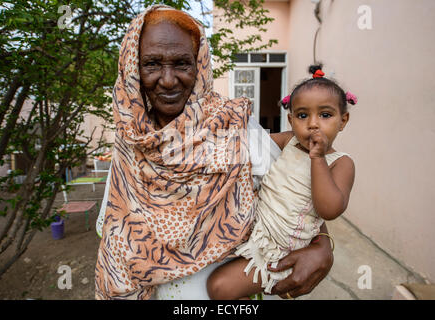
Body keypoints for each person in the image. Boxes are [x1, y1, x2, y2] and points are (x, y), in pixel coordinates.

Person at [95, 5, 334, 300]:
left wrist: (321, 242)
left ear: (200, 65)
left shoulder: (234, 128)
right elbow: (112, 233)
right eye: (152, 64)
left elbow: (293, 190)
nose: (168, 80)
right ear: (133, 69)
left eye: (182, 63)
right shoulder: (131, 143)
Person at [206, 65, 357, 300]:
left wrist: (317, 159)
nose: (313, 124)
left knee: (219, 287)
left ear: (343, 120)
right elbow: (253, 145)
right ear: (291, 119)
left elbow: (330, 209)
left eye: (325, 115)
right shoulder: (289, 141)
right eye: (303, 115)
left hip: (278, 250)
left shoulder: (340, 163)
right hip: (253, 228)